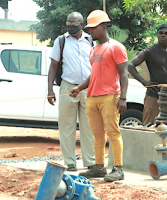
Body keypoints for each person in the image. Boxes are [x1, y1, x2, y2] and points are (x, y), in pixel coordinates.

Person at [69, 10, 128, 182]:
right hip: (92, 97)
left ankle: (118, 168)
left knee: (113, 132)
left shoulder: (116, 47)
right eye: (89, 28)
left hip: (110, 96)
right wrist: (79, 88)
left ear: (103, 27)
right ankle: (99, 167)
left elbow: (124, 73)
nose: (90, 31)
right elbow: (93, 75)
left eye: (93, 28)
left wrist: (123, 97)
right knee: (97, 134)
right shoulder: (93, 50)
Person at [48, 12, 95, 171]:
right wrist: (50, 90)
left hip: (88, 88)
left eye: (74, 24)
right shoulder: (60, 41)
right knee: (67, 126)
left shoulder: (90, 40)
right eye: (68, 24)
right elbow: (53, 66)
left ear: (81, 24)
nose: (70, 27)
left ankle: (90, 162)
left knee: (88, 126)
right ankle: (70, 162)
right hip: (68, 87)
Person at [128, 23, 167, 126]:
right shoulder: (149, 51)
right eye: (160, 33)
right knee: (149, 124)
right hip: (153, 94)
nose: (163, 35)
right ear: (157, 35)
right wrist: (144, 82)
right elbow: (130, 65)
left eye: (166, 33)